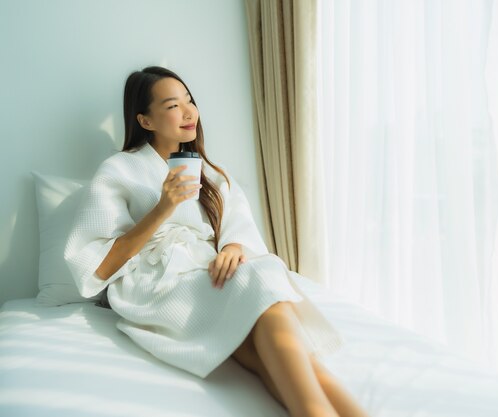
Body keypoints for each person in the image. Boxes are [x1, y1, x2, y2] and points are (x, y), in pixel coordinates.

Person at [64, 66, 370, 417]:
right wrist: (163, 208)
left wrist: (233, 248)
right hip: (157, 281)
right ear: (145, 121)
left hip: (209, 271)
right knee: (265, 295)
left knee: (263, 342)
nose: (188, 111)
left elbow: (240, 233)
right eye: (172, 105)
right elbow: (99, 264)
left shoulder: (210, 173)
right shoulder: (118, 169)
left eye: (189, 100)